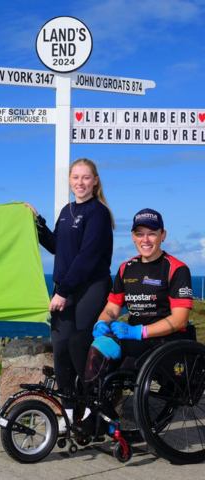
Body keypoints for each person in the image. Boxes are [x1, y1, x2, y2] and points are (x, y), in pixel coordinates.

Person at [69, 208, 194, 436]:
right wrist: (102, 323)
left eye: (152, 233)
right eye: (139, 234)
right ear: (133, 237)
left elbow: (180, 319)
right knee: (77, 340)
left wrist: (138, 332)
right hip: (132, 334)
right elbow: (112, 308)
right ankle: (102, 409)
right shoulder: (126, 268)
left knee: (104, 347)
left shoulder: (177, 268)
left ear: (163, 235)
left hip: (162, 340)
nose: (145, 240)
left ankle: (95, 415)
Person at [27, 158, 114, 432]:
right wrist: (37, 221)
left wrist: (62, 291)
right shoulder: (66, 211)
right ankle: (66, 413)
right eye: (75, 177)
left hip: (90, 288)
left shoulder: (98, 213)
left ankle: (92, 411)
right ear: (70, 180)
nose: (80, 182)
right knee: (62, 350)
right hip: (64, 289)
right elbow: (56, 246)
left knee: (82, 349)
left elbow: (87, 257)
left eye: (86, 178)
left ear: (95, 181)